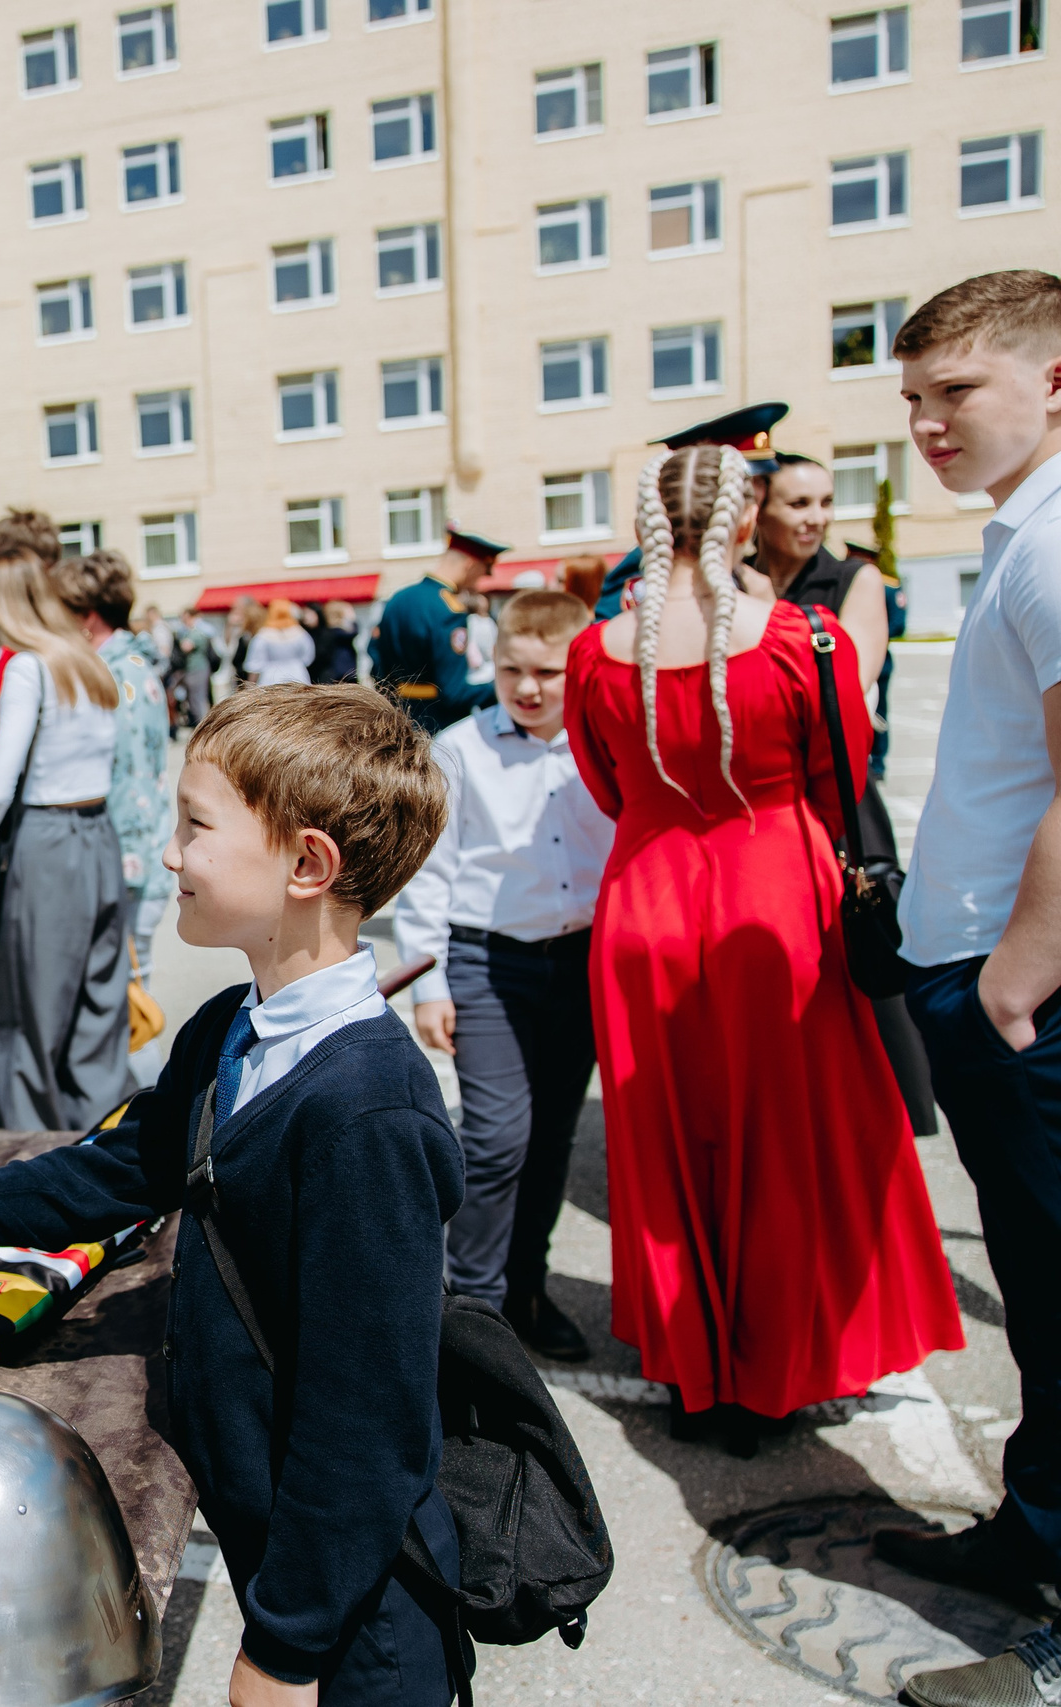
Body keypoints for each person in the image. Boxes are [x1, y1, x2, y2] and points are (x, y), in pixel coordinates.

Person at [0, 684, 463, 1707]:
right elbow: (120, 1167)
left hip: (357, 1614)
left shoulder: (368, 1118)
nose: (167, 855)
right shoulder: (233, 1026)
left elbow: (364, 1425)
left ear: (306, 866)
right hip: (267, 1529)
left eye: (195, 827)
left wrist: (285, 1651)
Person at [565, 442, 961, 1455]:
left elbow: (607, 789)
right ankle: (776, 1372)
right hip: (773, 898)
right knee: (782, 1142)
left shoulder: (596, 651)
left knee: (669, 1149)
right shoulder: (799, 638)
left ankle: (697, 1375)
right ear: (746, 523)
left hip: (645, 905)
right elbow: (841, 780)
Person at [871, 275, 1061, 1700]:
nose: (927, 422)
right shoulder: (1022, 537)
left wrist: (1018, 972)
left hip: (1030, 999)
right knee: (1042, 1297)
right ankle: (1035, 1535)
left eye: (958, 391)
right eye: (913, 398)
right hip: (998, 984)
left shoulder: (1056, 544)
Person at [394, 590, 610, 1361]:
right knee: (494, 1140)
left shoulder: (603, 741)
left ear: (579, 666)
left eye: (547, 672)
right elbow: (429, 875)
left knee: (552, 1136)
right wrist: (430, 982)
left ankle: (527, 1286)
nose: (527, 687)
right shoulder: (459, 748)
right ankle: (472, 1315)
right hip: (488, 961)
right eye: (512, 668)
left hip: (581, 961)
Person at [748, 454, 939, 1135]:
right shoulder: (738, 576)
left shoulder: (853, 578)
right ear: (759, 508)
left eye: (825, 501)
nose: (817, 517)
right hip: (763, 796)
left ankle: (889, 1108)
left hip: (837, 788)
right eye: (799, 504)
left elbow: (847, 687)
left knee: (859, 940)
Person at [0, 550, 134, 1132]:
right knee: (97, 998)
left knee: (29, 1008)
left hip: (48, 837)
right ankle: (101, 1129)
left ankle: (31, 1145)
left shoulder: (28, 667)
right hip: (97, 831)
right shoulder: (86, 661)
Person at [54, 551, 176, 1081]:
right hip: (136, 861)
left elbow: (127, 786)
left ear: (87, 616)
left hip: (129, 866)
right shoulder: (128, 666)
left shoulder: (116, 677)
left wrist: (115, 873)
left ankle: (146, 1122)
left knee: (127, 1005)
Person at [592, 404, 790, 620]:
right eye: (739, 483)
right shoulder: (658, 552)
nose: (754, 493)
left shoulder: (751, 563)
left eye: (760, 482)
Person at [369, 529, 504, 731]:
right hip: (437, 724)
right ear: (470, 565)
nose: (480, 581)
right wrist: (499, 687)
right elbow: (453, 692)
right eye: (483, 571)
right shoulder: (449, 609)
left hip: (398, 719)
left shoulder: (398, 599)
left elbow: (378, 667)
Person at [244, 597, 316, 687]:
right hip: (298, 675)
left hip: (271, 677)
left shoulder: (263, 635)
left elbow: (255, 664)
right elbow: (308, 656)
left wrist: (249, 686)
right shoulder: (301, 633)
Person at [311, 599, 362, 685]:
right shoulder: (337, 633)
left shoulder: (327, 631)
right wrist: (353, 620)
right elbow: (353, 632)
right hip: (341, 674)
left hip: (337, 674)